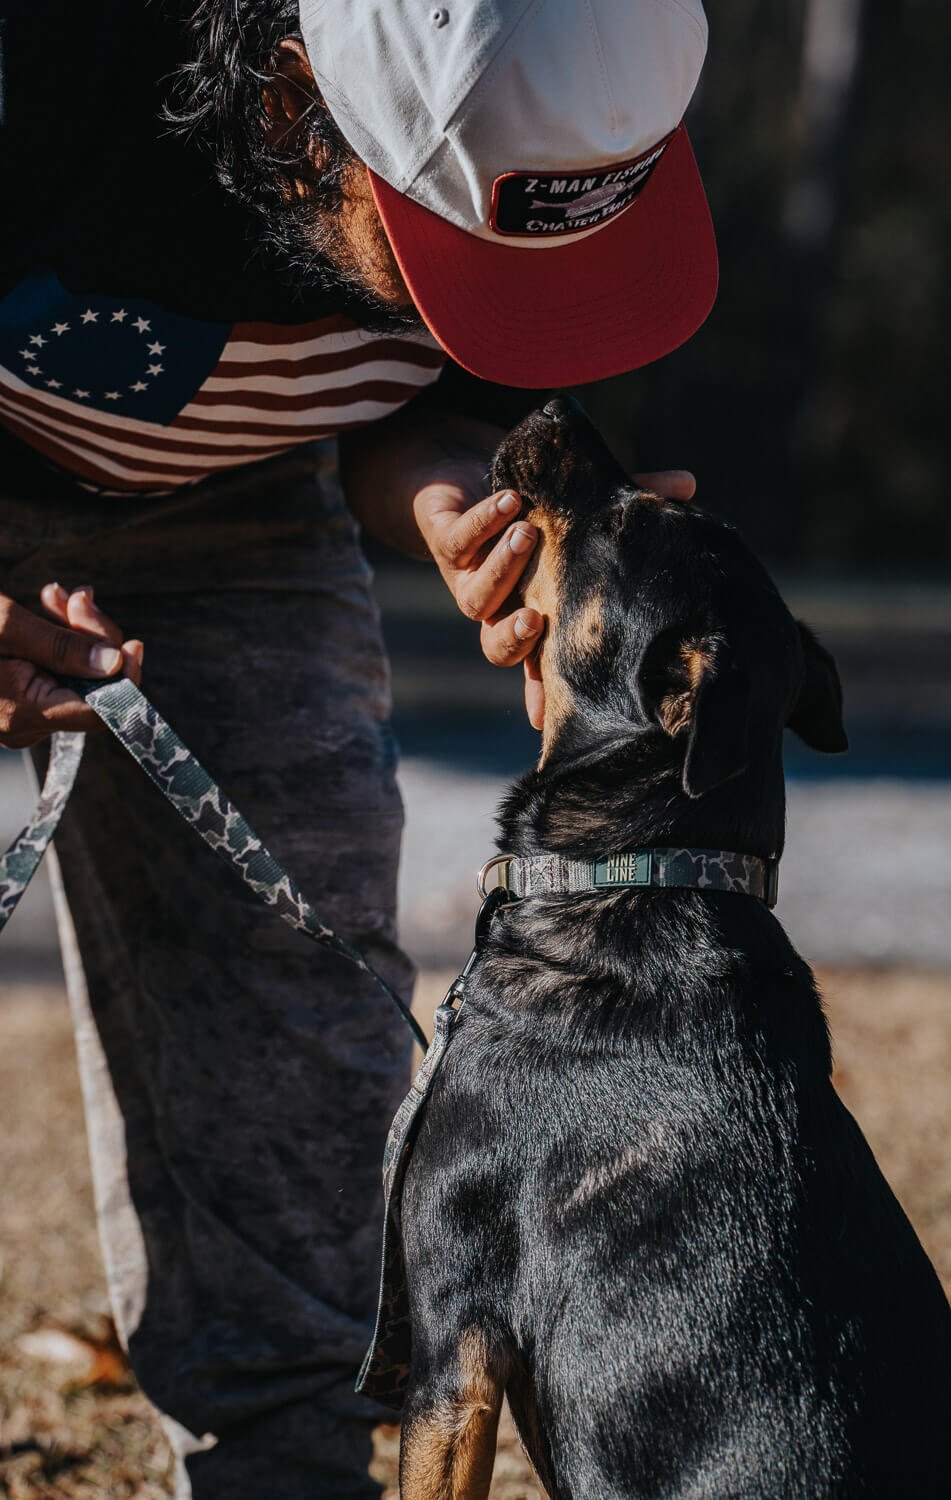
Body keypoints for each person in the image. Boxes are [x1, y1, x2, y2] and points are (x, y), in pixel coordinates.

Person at [0, 0, 717, 1493]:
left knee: (296, 1080)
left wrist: (462, 503)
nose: (512, 316)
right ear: (289, 111)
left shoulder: (551, 101)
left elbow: (433, 398)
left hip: (227, 526)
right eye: (457, 265)